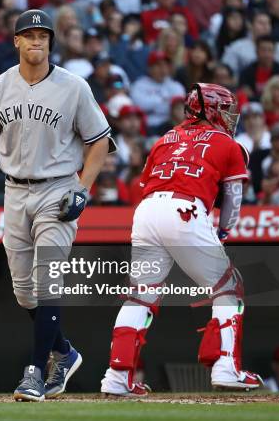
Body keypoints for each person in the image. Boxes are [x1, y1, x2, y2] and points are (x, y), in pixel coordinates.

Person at [0, 9, 114, 402]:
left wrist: (84, 188)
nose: (35, 42)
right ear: (16, 41)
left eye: (42, 36)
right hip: (14, 191)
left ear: (50, 42)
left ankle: (34, 372)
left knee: (48, 281)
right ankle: (64, 352)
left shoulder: (73, 86)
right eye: (28, 35)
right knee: (24, 292)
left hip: (58, 189)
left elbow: (98, 141)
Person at [100, 83, 263, 397]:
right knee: (228, 287)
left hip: (146, 210)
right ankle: (226, 367)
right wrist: (222, 234)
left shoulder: (165, 138)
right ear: (210, 109)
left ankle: (117, 377)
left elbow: (144, 181)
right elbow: (233, 200)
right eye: (226, 109)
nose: (230, 117)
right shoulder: (229, 144)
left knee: (139, 297)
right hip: (185, 211)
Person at [130, 51, 185, 135]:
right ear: (150, 68)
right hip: (148, 128)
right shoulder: (139, 85)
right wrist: (163, 101)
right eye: (158, 65)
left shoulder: (176, 86)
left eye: (165, 65)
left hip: (171, 126)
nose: (162, 68)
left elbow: (180, 109)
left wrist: (151, 106)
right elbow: (139, 106)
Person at [221, 11, 279, 76]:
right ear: (250, 25)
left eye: (268, 23)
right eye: (261, 23)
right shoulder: (237, 47)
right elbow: (226, 72)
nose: (266, 26)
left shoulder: (278, 47)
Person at [239, 35, 279, 100]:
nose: (266, 54)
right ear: (256, 51)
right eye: (263, 50)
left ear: (274, 52)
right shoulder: (246, 73)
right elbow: (245, 95)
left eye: (270, 50)